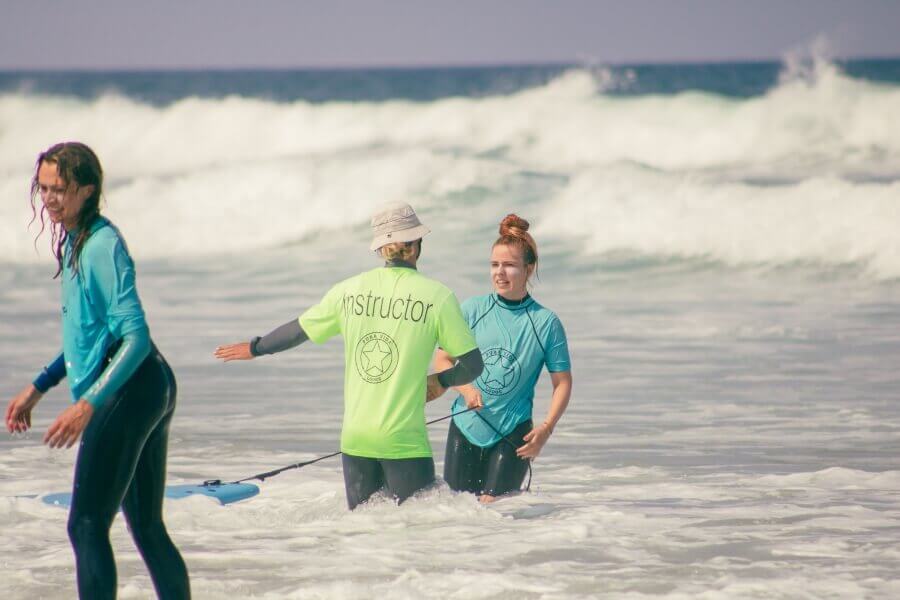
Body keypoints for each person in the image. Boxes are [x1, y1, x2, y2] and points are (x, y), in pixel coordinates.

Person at [4, 142, 190, 599]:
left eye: (60, 189)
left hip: (128, 388)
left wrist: (89, 403)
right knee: (145, 524)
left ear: (87, 190)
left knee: (85, 525)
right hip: (146, 384)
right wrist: (40, 385)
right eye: (43, 188)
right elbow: (86, 335)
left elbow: (135, 336)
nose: (48, 198)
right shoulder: (75, 239)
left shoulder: (102, 245)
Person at [214, 201, 483, 510]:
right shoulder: (438, 297)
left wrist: (254, 348)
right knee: (416, 539)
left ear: (382, 250)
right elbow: (473, 365)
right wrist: (441, 380)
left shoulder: (348, 290)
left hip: (355, 440)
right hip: (403, 441)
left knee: (362, 537)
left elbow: (298, 330)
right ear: (415, 246)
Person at [434, 214, 573, 503]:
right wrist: (466, 389)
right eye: (494, 265)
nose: (500, 272)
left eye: (509, 265)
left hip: (513, 432)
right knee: (458, 514)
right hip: (465, 425)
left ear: (528, 269)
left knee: (494, 513)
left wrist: (546, 429)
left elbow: (562, 382)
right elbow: (443, 360)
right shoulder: (473, 309)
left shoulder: (545, 323)